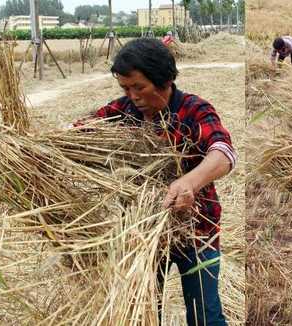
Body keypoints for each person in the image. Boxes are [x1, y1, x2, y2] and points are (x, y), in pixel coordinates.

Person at [78, 38, 235, 326]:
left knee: (206, 317)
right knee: (143, 314)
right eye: (125, 88)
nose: (133, 96)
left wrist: (189, 182)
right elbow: (75, 135)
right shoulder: (122, 112)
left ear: (164, 80)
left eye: (139, 87)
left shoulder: (194, 110)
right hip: (142, 232)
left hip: (197, 229)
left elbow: (223, 154)